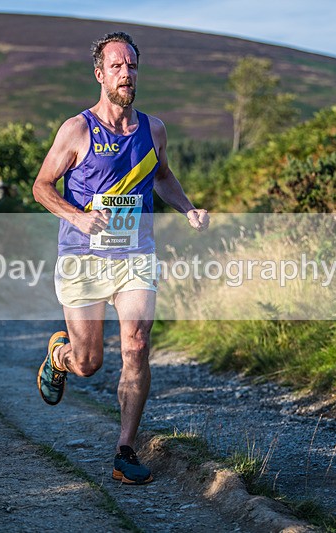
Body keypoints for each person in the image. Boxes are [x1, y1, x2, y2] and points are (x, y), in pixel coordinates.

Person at [32, 31, 209, 485]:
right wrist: (78, 217)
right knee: (88, 363)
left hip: (135, 255)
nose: (126, 73)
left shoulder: (153, 130)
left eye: (131, 65)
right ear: (99, 74)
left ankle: (124, 451)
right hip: (84, 259)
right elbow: (41, 187)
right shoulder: (77, 130)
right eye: (116, 66)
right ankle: (59, 357)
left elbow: (163, 178)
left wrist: (187, 208)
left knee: (136, 344)